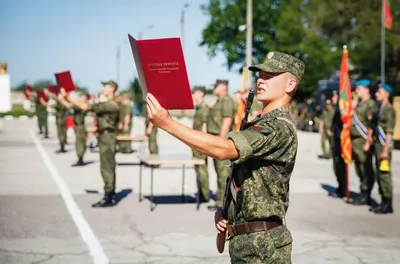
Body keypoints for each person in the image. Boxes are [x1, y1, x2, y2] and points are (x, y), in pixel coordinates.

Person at [146, 51, 304, 263]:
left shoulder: (278, 127)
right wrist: (228, 211)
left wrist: (168, 124)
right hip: (247, 242)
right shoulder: (261, 122)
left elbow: (223, 150)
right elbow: (250, 179)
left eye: (269, 76)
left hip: (263, 247)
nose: (261, 80)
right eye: (260, 75)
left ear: (290, 84)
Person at [71, 80, 120, 207]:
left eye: (106, 87)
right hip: (105, 136)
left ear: (112, 89)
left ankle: (109, 196)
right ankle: (110, 194)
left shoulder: (110, 105)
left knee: (107, 167)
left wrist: (67, 97)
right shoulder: (109, 104)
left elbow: (85, 107)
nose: (104, 89)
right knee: (107, 166)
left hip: (107, 137)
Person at [364, 83, 396, 214]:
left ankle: (387, 204)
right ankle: (383, 201)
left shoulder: (389, 109)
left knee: (384, 174)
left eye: (379, 92)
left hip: (384, 146)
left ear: (387, 94)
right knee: (379, 173)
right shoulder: (379, 107)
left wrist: (385, 150)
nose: (376, 94)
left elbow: (389, 131)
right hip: (377, 145)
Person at [206, 79, 236, 210]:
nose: (214, 89)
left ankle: (222, 204)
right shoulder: (219, 101)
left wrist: (221, 142)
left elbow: (227, 121)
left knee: (223, 174)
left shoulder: (227, 101)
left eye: (216, 86)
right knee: (219, 172)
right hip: (216, 141)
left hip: (221, 141)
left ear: (223, 87)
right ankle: (221, 200)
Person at [350, 79, 377, 205]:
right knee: (359, 167)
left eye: (359, 89)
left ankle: (366, 193)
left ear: (366, 89)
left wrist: (368, 141)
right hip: (355, 140)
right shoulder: (359, 104)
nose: (356, 91)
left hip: (363, 140)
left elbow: (372, 125)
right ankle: (363, 191)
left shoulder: (371, 104)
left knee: (366, 168)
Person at [191, 86, 210, 203]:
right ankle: (201, 193)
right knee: (198, 169)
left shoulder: (204, 108)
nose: (192, 95)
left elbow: (204, 127)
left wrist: (203, 145)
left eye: (194, 93)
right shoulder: (198, 108)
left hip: (200, 143)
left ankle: (204, 195)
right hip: (196, 142)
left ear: (200, 94)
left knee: (202, 169)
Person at [329, 91, 347, 198]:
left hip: (342, 142)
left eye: (335, 96)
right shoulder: (336, 109)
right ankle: (340, 187)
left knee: (341, 166)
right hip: (335, 142)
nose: (333, 98)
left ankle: (343, 188)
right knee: (337, 166)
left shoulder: (343, 109)